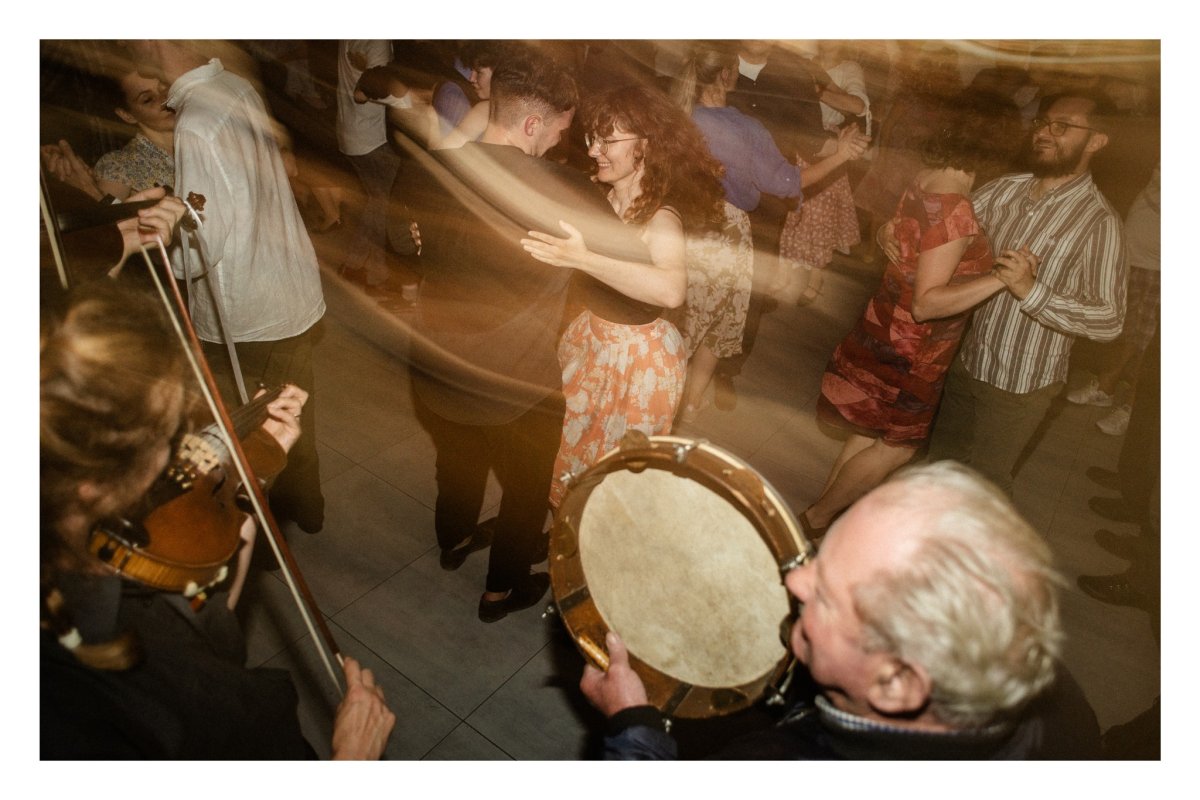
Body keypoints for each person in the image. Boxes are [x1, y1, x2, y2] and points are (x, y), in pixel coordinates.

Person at [40, 274, 394, 758]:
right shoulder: (154, 682)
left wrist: (252, 472)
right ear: (92, 487)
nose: (189, 445)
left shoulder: (79, 545)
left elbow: (203, 597)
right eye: (167, 436)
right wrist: (354, 758)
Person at [580, 461, 1101, 760]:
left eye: (826, 594)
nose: (793, 580)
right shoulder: (1060, 705)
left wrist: (633, 728)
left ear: (896, 684)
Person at [409, 50, 651, 622]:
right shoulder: (563, 189)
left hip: (436, 365)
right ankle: (502, 590)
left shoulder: (434, 166)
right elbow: (638, 279)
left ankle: (453, 540)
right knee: (525, 488)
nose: (561, 144)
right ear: (533, 123)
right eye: (561, 131)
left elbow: (405, 238)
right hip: (513, 382)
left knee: (457, 460)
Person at [125, 40, 328, 534]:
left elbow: (199, 253)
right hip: (290, 288)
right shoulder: (232, 85)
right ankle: (308, 510)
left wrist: (160, 231)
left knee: (250, 436)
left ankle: (263, 531)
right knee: (293, 413)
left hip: (247, 316)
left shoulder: (195, 122)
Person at [802, 90, 1021, 537]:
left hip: (884, 323)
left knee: (866, 434)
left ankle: (819, 522)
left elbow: (903, 243)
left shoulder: (928, 179)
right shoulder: (956, 210)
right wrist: (1002, 279)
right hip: (914, 350)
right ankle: (814, 521)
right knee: (898, 448)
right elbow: (928, 303)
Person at [520, 84, 726, 508]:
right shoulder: (598, 196)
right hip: (588, 340)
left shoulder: (661, 218)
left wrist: (583, 258)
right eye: (591, 138)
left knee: (611, 475)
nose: (593, 150)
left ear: (645, 147)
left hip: (639, 362)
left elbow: (671, 289)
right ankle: (563, 529)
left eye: (607, 141)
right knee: (569, 452)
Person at [924, 91, 1126, 495]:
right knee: (938, 470)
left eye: (1062, 127)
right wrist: (894, 231)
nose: (1045, 133)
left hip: (1021, 386)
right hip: (968, 362)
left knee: (983, 490)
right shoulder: (1006, 190)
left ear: (1097, 141)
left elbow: (1110, 320)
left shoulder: (1099, 222)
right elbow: (941, 229)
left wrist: (1032, 292)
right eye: (1043, 123)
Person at [668, 43, 869, 419]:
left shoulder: (675, 115)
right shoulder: (743, 128)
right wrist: (841, 154)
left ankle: (666, 396)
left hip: (676, 224)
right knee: (714, 324)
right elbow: (788, 182)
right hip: (724, 235)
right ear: (727, 74)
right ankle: (684, 403)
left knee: (679, 316)